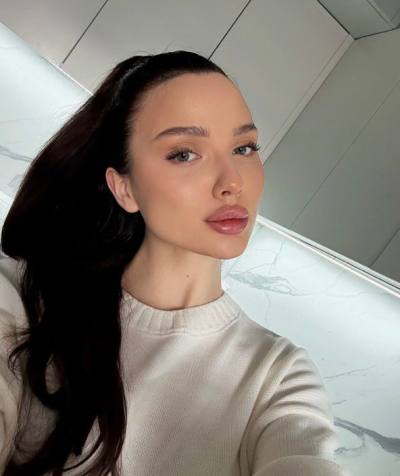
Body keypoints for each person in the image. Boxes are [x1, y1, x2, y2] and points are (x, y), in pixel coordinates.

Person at [0, 51, 349, 475]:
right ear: (124, 188)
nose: (232, 182)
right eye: (184, 154)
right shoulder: (20, 298)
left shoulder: (276, 376)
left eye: (244, 147)